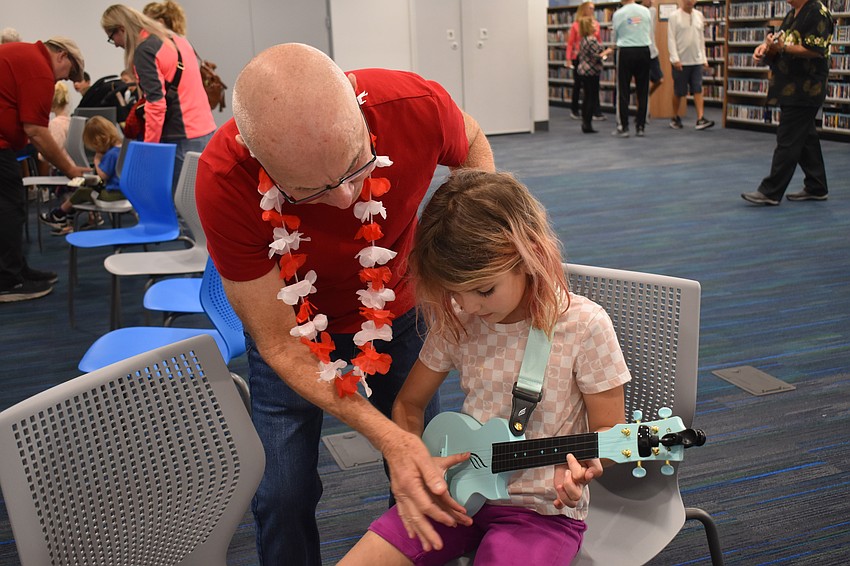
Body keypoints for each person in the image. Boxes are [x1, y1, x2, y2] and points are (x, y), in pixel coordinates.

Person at [194, 43, 495, 565]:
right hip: (293, 330)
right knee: (282, 493)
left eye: (356, 166)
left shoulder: (411, 105)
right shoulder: (225, 180)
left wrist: (471, 236)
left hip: (396, 310)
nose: (345, 197)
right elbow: (279, 345)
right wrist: (385, 437)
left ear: (358, 109)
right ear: (257, 156)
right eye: (310, 190)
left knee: (422, 465)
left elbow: (470, 141)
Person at [339, 169, 631, 565]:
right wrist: (421, 464)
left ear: (528, 256)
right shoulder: (460, 318)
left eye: (483, 290)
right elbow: (408, 405)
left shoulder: (585, 326)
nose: (469, 306)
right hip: (456, 491)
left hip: (541, 513)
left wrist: (584, 470)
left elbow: (611, 435)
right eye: (454, 291)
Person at [0, 36, 89, 302]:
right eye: (68, 74)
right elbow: (36, 131)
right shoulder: (39, 69)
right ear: (62, 56)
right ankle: (8, 281)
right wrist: (70, 169)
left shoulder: (26, 57)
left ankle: (16, 270)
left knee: (12, 205)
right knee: (10, 207)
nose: (62, 80)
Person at [101, 4, 215, 188]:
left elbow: (156, 104)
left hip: (180, 136)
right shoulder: (177, 39)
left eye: (111, 36)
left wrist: (149, 150)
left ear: (121, 29)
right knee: (197, 200)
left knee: (178, 202)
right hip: (206, 130)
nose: (115, 43)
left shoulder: (145, 50)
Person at [742, 0, 833, 206]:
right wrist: (766, 47)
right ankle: (817, 186)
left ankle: (771, 191)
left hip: (806, 88)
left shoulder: (817, 12)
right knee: (806, 138)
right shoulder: (793, 14)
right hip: (790, 86)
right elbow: (782, 42)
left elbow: (816, 49)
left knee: (788, 138)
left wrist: (783, 48)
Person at [40, 116, 125, 234]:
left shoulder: (111, 154)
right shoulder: (123, 149)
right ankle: (68, 214)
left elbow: (103, 175)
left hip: (113, 195)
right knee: (89, 190)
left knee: (82, 192)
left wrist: (97, 160)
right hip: (127, 192)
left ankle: (59, 214)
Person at [667, 0, 715, 130]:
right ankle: (675, 117)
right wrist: (675, 59)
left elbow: (701, 39)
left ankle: (700, 118)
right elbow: (671, 39)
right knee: (679, 91)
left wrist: (704, 58)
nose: (689, 1)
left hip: (696, 60)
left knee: (698, 89)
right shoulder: (674, 16)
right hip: (681, 61)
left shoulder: (699, 15)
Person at [611, 0, 652, 137]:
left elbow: (615, 36)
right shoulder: (645, 11)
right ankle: (640, 126)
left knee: (623, 90)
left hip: (626, 51)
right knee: (643, 90)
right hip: (644, 50)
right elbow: (648, 30)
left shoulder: (618, 14)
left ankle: (624, 127)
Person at [566, 1, 605, 122]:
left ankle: (596, 111)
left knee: (594, 86)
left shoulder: (596, 24)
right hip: (579, 57)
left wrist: (602, 52)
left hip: (592, 57)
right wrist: (568, 59)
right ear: (583, 9)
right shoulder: (576, 25)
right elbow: (570, 43)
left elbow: (598, 40)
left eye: (593, 8)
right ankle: (575, 110)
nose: (592, 10)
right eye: (590, 8)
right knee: (578, 84)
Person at [576, 17, 613, 134]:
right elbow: (596, 56)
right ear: (589, 27)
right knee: (591, 97)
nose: (596, 25)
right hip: (591, 71)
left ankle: (586, 122)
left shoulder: (584, 39)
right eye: (593, 24)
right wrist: (608, 51)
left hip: (584, 70)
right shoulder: (591, 40)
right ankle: (587, 123)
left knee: (587, 97)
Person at [37, 82, 73, 176]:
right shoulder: (72, 122)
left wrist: (40, 154)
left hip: (61, 170)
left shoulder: (55, 124)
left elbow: (53, 151)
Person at [644, 0, 664, 98]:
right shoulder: (639, 11)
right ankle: (642, 101)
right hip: (642, 51)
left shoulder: (652, 11)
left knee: (659, 79)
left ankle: (645, 97)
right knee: (642, 82)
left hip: (652, 52)